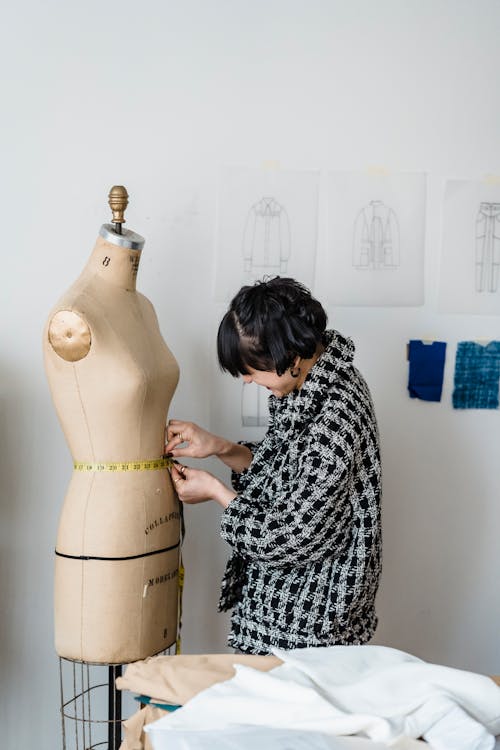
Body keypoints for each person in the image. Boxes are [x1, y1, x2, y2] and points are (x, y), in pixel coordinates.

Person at [165, 277, 382, 655]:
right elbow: (289, 475)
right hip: (292, 606)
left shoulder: (336, 416)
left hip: (312, 619)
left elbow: (293, 536)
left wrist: (218, 492)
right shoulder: (311, 384)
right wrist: (220, 448)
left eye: (253, 371)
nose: (249, 381)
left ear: (290, 358)